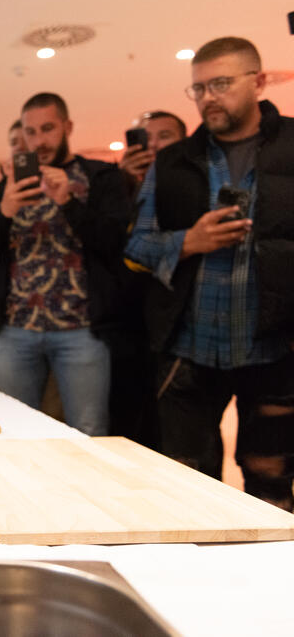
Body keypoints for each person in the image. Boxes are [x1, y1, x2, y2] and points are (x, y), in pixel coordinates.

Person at [124, 37, 294, 510]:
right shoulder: (173, 160)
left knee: (273, 480)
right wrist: (187, 242)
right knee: (185, 485)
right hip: (188, 348)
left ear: (258, 82)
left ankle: (276, 580)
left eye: (220, 83)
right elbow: (136, 243)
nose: (207, 98)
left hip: (275, 345)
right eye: (198, 88)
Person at [0, 93, 131, 435]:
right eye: (30, 132)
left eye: (47, 129)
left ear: (67, 127)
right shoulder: (10, 184)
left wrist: (69, 202)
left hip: (83, 330)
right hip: (15, 329)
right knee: (14, 432)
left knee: (88, 432)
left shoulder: (100, 176)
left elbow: (116, 242)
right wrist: (5, 211)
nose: (38, 141)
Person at [109, 110, 187, 448]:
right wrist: (125, 185)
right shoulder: (118, 189)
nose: (153, 146)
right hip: (125, 323)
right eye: (146, 139)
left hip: (178, 323)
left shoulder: (193, 188)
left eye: (164, 136)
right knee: (126, 421)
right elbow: (110, 245)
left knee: (178, 431)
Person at [119, 111, 188, 198]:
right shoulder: (123, 182)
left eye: (164, 136)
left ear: (185, 141)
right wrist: (122, 179)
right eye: (146, 137)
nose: (153, 144)